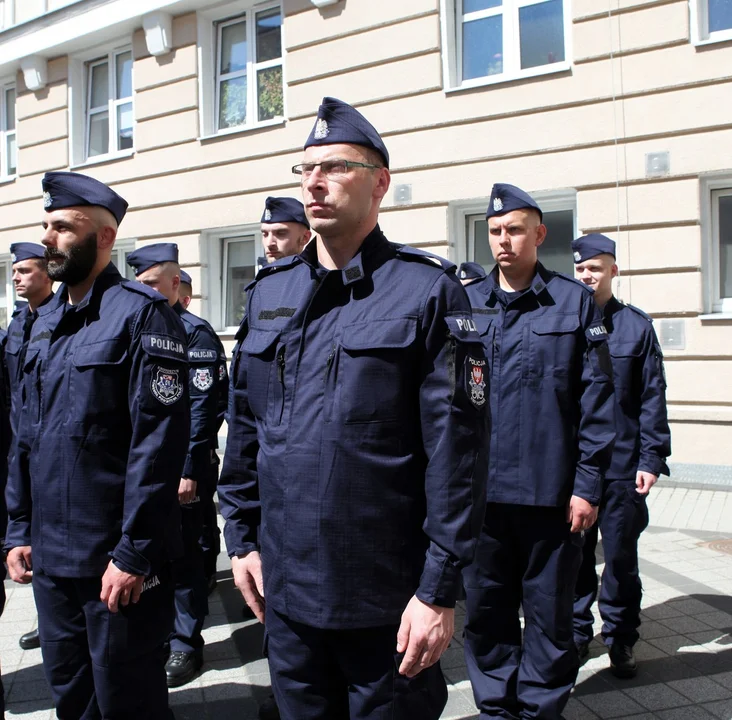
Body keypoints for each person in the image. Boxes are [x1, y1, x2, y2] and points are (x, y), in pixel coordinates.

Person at [218, 96, 488, 720]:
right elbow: (247, 428)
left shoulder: (427, 291)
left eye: (336, 166)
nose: (314, 180)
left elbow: (460, 453)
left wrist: (439, 590)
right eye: (305, 168)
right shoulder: (269, 294)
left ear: (380, 183)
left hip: (385, 600)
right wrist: (240, 538)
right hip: (284, 594)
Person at [4, 171, 190, 719]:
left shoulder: (140, 314)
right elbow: (24, 434)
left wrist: (133, 552)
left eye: (62, 227)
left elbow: (156, 447)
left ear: (104, 238)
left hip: (114, 564)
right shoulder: (44, 323)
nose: (48, 238)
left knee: (126, 701)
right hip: (52, 559)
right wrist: (18, 526)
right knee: (71, 697)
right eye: (46, 226)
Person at [462, 183, 616, 720]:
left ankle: (540, 710)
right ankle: (496, 709)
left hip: (552, 497)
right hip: (482, 500)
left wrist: (588, 485)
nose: (504, 241)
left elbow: (597, 401)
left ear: (539, 234)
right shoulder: (466, 304)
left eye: (515, 230)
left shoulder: (573, 303)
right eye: (496, 232)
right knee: (485, 614)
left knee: (549, 617)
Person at [127, 243, 227, 688]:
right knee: (156, 556)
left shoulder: (194, 332)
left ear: (176, 286)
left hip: (184, 467)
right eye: (139, 284)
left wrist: (188, 467)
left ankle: (186, 643)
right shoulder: (136, 326)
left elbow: (203, 406)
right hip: (146, 469)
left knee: (187, 556)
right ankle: (160, 633)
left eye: (151, 283)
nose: (143, 291)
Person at [572, 233, 670, 678]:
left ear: (614, 270)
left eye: (596, 267)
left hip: (624, 466)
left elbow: (652, 397)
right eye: (580, 268)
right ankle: (575, 634)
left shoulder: (636, 326)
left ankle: (621, 636)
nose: (587, 275)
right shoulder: (564, 323)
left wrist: (651, 459)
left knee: (621, 561)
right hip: (576, 470)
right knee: (573, 559)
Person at [255, 195, 312, 720]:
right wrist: (239, 528)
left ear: (304, 235)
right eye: (265, 233)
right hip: (277, 516)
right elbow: (245, 415)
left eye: (280, 233)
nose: (270, 242)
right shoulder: (262, 295)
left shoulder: (418, 284)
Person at [4, 243, 54, 652]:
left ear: (47, 273)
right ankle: (45, 616)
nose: (16, 277)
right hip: (19, 443)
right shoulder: (17, 324)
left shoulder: (60, 318)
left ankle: (52, 615)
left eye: (25, 270)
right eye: (14, 271)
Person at [260, 196, 311, 262]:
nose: (269, 243)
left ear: (305, 238)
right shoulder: (263, 272)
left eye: (281, 233)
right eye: (265, 234)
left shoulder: (314, 272)